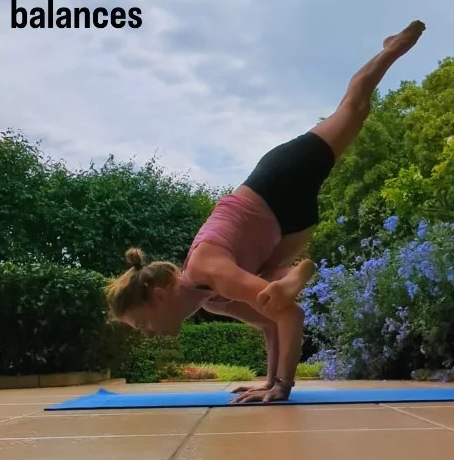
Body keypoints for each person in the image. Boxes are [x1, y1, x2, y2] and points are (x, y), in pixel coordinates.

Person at [106, 20, 426, 404]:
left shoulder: (208, 270)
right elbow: (272, 324)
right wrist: (268, 382)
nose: (146, 333)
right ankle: (288, 276)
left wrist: (283, 386)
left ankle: (391, 48)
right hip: (285, 226)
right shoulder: (211, 298)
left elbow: (291, 316)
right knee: (273, 297)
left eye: (141, 323)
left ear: (159, 297)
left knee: (354, 108)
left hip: (278, 182)